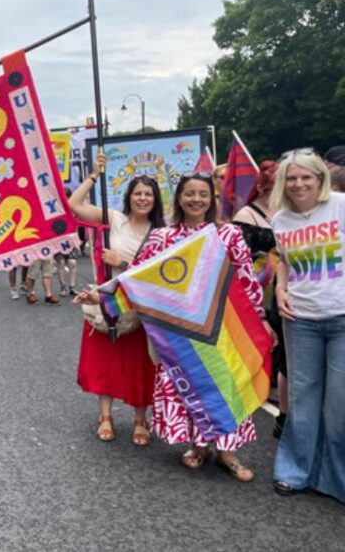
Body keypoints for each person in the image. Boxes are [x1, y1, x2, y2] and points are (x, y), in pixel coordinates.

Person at [133, 173, 270, 482]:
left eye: (203, 194)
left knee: (227, 386)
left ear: (212, 199)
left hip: (224, 327)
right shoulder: (162, 237)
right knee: (193, 386)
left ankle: (227, 451)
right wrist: (102, 296)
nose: (196, 199)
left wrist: (260, 318)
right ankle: (199, 445)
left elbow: (246, 278)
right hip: (179, 330)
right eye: (189, 193)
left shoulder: (229, 234)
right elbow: (136, 277)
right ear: (179, 198)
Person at [69, 156, 164, 445]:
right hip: (108, 300)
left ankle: (139, 419)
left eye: (148, 194)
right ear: (129, 197)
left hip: (140, 306)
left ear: (155, 199)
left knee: (140, 364)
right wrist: (94, 175)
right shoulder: (114, 218)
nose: (143, 198)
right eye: (138, 193)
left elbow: (159, 274)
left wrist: (123, 262)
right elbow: (75, 205)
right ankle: (106, 416)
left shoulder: (162, 232)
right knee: (105, 361)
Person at [271, 149, 345, 503]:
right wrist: (280, 289)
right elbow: (284, 261)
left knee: (339, 404)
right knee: (302, 400)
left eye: (306, 177)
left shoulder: (340, 206)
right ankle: (295, 470)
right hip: (300, 320)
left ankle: (336, 478)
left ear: (321, 179)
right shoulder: (281, 220)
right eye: (293, 178)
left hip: (341, 318)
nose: (299, 184)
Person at [232, 161, 287, 438]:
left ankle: (267, 389)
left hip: (282, 287)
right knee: (256, 340)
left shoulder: (287, 213)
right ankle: (248, 391)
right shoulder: (246, 214)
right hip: (254, 288)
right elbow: (239, 258)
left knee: (277, 341)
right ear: (264, 185)